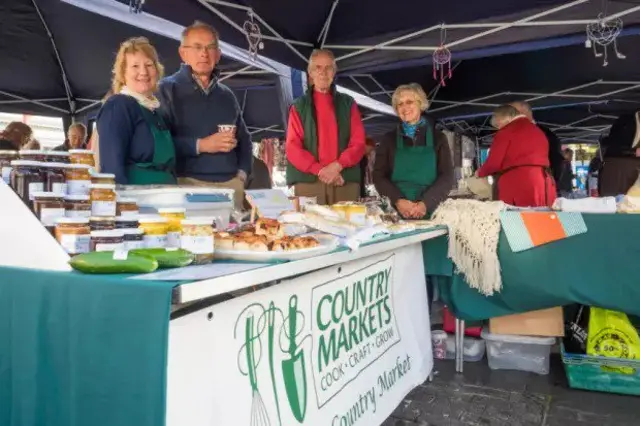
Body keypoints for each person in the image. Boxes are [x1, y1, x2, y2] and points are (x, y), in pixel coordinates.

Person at [157, 21, 251, 209]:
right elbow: (159, 141)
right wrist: (201, 145)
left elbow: (245, 139)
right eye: (197, 47)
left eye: (210, 47)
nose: (204, 53)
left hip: (230, 186)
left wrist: (242, 174)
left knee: (234, 237)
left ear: (218, 54)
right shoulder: (166, 89)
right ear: (183, 52)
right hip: (187, 184)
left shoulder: (227, 94)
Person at [285, 49, 366, 205]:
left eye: (328, 67)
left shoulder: (348, 103)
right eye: (318, 67)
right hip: (309, 182)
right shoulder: (298, 107)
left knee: (348, 228)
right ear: (310, 72)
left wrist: (337, 166)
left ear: (334, 72)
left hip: (344, 180)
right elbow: (292, 147)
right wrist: (320, 170)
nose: (323, 72)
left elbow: (358, 143)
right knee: (310, 228)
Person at [96, 37, 176, 185]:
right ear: (122, 73)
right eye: (135, 66)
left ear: (157, 71)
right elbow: (111, 169)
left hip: (166, 196)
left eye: (149, 65)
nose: (143, 72)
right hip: (137, 199)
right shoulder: (119, 106)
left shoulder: (157, 112)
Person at [373, 83, 454, 219]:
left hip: (432, 210)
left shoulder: (438, 137)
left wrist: (425, 204)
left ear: (420, 104)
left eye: (409, 102)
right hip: (397, 212)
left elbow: (447, 177)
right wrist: (398, 201)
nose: (405, 108)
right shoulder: (388, 139)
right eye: (400, 104)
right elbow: (379, 176)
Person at [478, 104, 556, 207]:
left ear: (505, 117)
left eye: (498, 124)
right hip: (543, 182)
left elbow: (493, 164)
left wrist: (479, 173)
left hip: (518, 182)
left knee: (516, 219)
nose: (498, 128)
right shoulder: (538, 131)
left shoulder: (505, 132)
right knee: (540, 217)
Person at [510, 101, 564, 192]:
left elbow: (556, 161)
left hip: (539, 190)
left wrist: (549, 185)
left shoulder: (546, 135)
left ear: (524, 113)